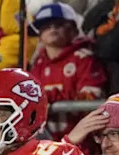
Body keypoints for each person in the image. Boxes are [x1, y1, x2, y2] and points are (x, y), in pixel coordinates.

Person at [28, 3, 107, 143]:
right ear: (39, 35)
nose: (52, 29)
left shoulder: (85, 58)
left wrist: (47, 98)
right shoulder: (36, 65)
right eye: (45, 26)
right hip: (46, 146)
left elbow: (91, 98)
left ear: (73, 30)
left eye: (58, 24)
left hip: (83, 147)